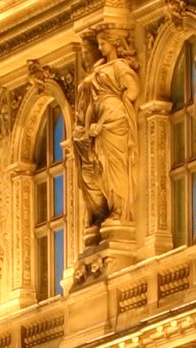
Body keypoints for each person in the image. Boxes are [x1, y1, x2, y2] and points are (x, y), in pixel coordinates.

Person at [74, 29, 140, 228]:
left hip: (115, 120)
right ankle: (113, 208)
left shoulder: (119, 66)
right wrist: (88, 127)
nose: (100, 47)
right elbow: (92, 104)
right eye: (100, 44)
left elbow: (133, 89)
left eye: (103, 43)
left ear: (113, 42)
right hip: (101, 122)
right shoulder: (99, 71)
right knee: (103, 167)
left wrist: (119, 105)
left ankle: (120, 209)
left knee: (116, 165)